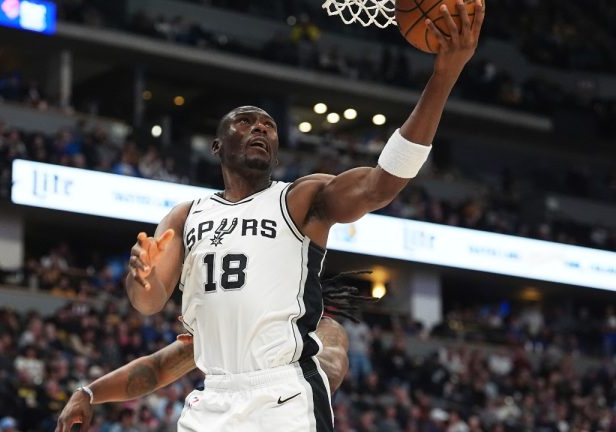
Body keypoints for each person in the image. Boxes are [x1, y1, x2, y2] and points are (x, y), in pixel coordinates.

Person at [81, 2, 483, 430]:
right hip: (212, 399)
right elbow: (148, 304)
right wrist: (140, 277)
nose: (260, 128)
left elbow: (381, 184)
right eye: (246, 122)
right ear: (217, 147)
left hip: (283, 397)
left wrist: (444, 77)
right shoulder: (186, 216)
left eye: (269, 125)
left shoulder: (302, 199)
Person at [56, 317, 349, 431]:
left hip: (278, 410)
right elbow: (156, 368)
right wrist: (88, 393)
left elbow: (329, 370)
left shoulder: (321, 328)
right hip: (216, 411)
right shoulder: (224, 327)